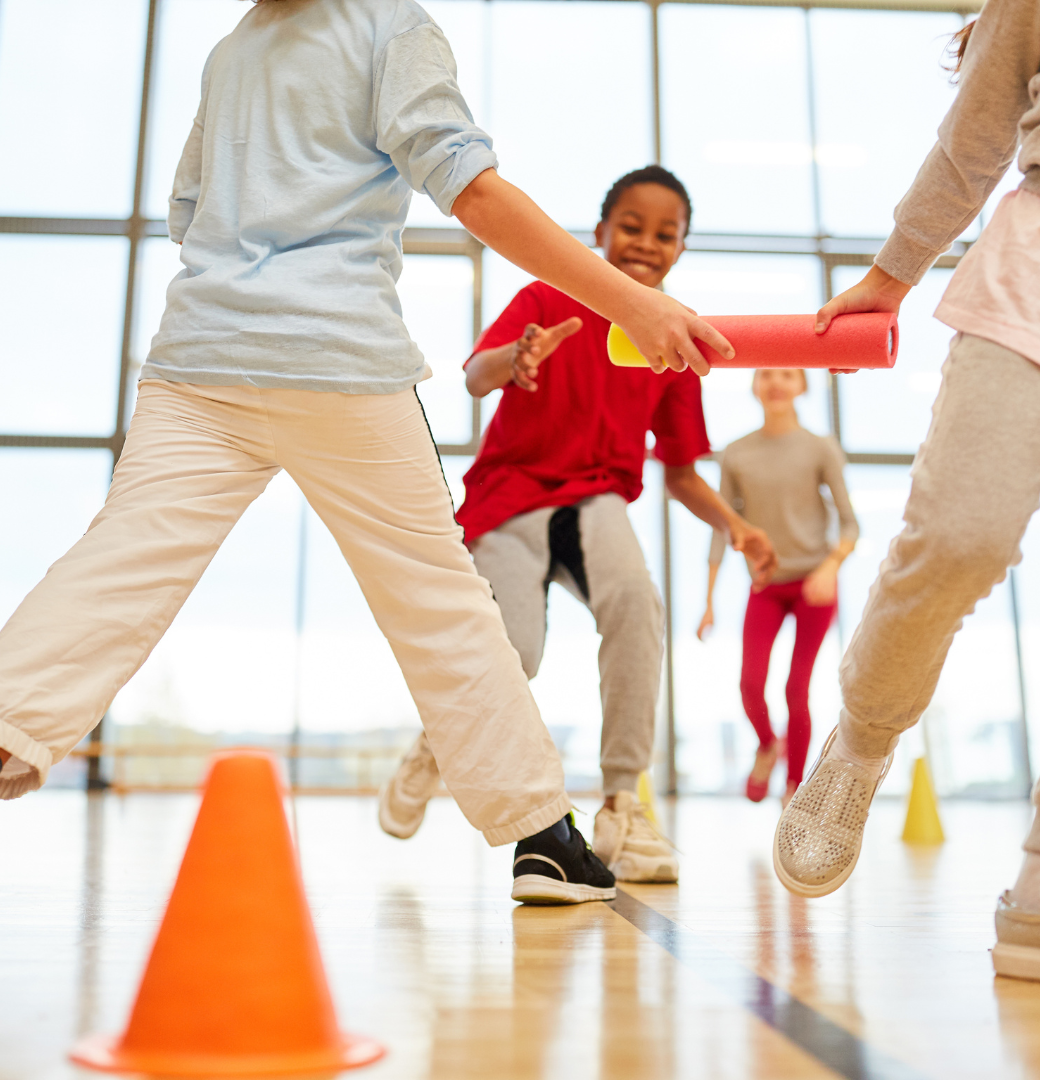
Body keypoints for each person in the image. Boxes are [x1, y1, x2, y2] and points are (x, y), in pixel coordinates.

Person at [0, 0, 740, 907]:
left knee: (115, 566)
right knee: (439, 601)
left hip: (200, 361)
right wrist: (632, 304)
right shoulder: (390, 28)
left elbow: (186, 213)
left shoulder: (233, 48)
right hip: (338, 365)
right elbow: (472, 189)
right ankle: (543, 837)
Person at [378, 166, 777, 883]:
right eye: (631, 227)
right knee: (516, 656)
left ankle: (623, 805)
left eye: (666, 235)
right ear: (600, 233)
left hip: (596, 501)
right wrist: (518, 356)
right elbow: (475, 376)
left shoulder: (673, 341)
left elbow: (682, 471)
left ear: (682, 248)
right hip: (512, 496)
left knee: (637, 606)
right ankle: (435, 746)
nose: (647, 244)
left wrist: (737, 528)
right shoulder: (544, 295)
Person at [772, 0, 1040, 979]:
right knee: (960, 538)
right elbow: (976, 137)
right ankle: (865, 736)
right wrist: (892, 275)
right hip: (1031, 275)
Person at [698, 368, 857, 808]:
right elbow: (721, 527)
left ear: (803, 387)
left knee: (795, 689)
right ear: (754, 386)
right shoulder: (736, 453)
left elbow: (849, 522)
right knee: (750, 684)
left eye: (788, 375)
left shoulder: (819, 447)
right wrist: (709, 601)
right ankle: (768, 744)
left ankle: (792, 792)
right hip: (765, 584)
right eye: (766, 374)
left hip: (814, 585)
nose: (776, 383)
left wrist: (831, 565)